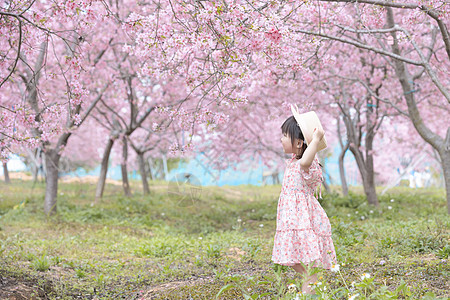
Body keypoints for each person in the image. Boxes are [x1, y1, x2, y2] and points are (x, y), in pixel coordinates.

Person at [271, 106, 337, 295]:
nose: (281, 139)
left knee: (307, 265)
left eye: (285, 135)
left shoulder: (307, 164)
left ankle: (311, 287)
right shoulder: (293, 161)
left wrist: (315, 141)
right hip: (291, 220)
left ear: (299, 143)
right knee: (293, 259)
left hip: (303, 221)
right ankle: (313, 281)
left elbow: (306, 162)